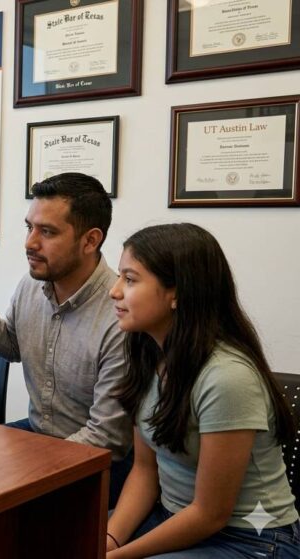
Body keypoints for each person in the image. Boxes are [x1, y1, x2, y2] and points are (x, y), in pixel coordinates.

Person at [104, 223, 299, 558]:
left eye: (130, 279)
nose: (114, 290)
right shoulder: (147, 352)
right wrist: (111, 541)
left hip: (250, 539)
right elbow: (145, 471)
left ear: (177, 292)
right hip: (172, 519)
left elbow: (211, 514)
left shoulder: (227, 377)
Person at [0, 172, 132, 503]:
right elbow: (14, 346)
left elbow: (107, 437)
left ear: (90, 240)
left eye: (47, 232)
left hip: (98, 461)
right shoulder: (32, 284)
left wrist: (27, 464)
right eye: (29, 227)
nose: (30, 242)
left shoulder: (121, 317)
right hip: (39, 436)